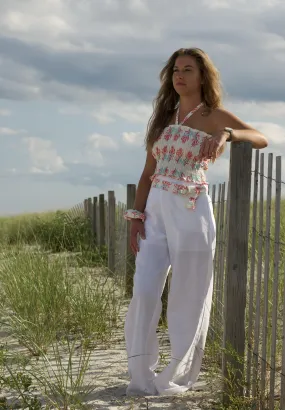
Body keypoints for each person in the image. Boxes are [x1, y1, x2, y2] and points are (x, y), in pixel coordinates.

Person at [123, 47, 268, 397]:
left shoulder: (213, 115)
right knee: (143, 291)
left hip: (192, 212)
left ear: (203, 76)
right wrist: (135, 217)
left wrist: (227, 135)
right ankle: (140, 375)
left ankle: (174, 375)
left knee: (189, 295)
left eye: (188, 69)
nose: (179, 76)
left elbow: (260, 138)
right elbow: (146, 174)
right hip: (155, 214)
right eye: (175, 70)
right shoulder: (163, 119)